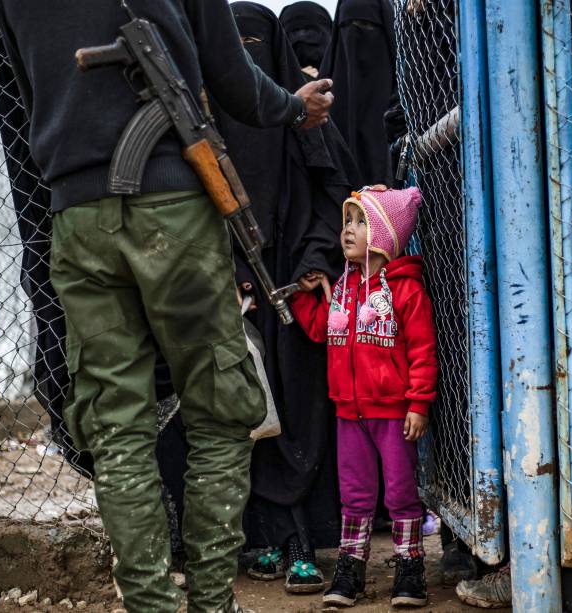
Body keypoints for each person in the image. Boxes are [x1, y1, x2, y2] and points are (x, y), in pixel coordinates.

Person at [0, 1, 334, 611]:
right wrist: (293, 106)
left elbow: (25, 86)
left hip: (78, 218)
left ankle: (150, 602)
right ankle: (210, 600)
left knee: (115, 424)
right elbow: (234, 80)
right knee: (223, 410)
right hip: (173, 206)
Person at [210, 1, 358, 596]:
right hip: (230, 284)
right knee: (245, 413)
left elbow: (334, 193)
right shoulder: (209, 118)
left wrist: (313, 263)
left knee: (297, 407)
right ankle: (269, 538)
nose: (248, 57)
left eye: (257, 48)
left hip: (296, 289)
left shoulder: (303, 118)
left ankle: (303, 539)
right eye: (235, 48)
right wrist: (224, 267)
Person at [291, 185, 437, 608]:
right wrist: (309, 294)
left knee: (399, 490)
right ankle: (351, 568)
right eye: (347, 222)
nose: (347, 231)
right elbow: (322, 329)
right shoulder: (342, 287)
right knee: (354, 492)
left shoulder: (405, 291)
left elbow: (423, 351)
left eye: (359, 222)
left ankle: (410, 568)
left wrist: (418, 403)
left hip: (393, 414)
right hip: (348, 413)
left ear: (384, 235)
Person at [320, 0, 397, 187]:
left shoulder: (405, 100)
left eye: (367, 26)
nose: (355, 35)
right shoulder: (322, 102)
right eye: (347, 27)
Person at [279, 1, 333, 79]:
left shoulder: (349, 74)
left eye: (311, 30)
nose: (301, 35)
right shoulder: (267, 82)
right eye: (294, 32)